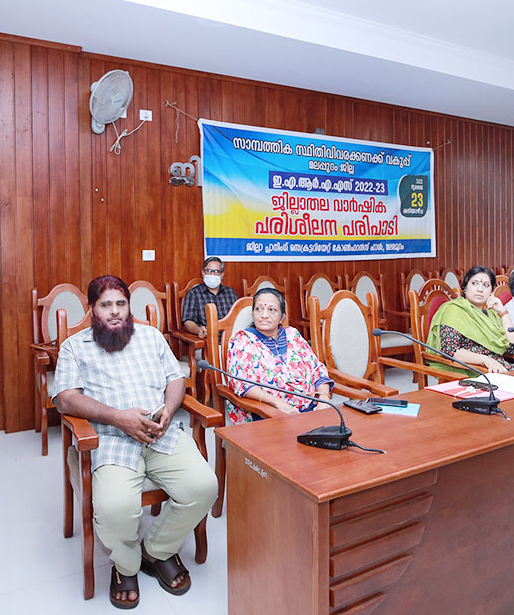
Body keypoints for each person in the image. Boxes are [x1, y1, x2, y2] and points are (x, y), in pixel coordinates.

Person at [52, 275, 217, 610]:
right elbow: (64, 399)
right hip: (111, 439)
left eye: (121, 304)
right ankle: (125, 567)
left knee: (204, 487)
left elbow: (176, 378)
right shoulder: (75, 346)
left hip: (161, 433)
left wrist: (170, 410)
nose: (114, 312)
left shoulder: (151, 337)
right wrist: (117, 418)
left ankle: (156, 550)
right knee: (115, 510)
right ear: (92, 309)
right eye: (105, 305)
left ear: (129, 307)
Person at [224, 287, 332, 424]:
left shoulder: (293, 335)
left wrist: (323, 397)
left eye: (272, 310)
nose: (264, 315)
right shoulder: (241, 341)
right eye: (258, 309)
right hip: (268, 413)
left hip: (312, 409)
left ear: (282, 317)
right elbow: (242, 383)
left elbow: (317, 369)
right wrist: (278, 404)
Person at [426, 266, 514, 375]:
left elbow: (513, 347)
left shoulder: (492, 315)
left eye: (486, 285)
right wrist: (486, 360)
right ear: (465, 287)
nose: (480, 289)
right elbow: (451, 350)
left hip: (499, 368)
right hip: (472, 370)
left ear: (491, 291)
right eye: (475, 283)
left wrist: (503, 312)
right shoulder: (454, 310)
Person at [180, 256, 238, 340]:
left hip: (231, 340)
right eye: (209, 271)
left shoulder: (231, 293)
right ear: (203, 273)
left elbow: (238, 317)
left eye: (217, 271)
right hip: (207, 341)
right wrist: (198, 330)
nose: (212, 274)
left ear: (222, 274)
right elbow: (187, 321)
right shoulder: (193, 293)